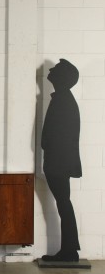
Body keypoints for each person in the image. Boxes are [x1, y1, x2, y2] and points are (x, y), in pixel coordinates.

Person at [41, 59, 82, 262]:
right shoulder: (63, 98)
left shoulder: (64, 100)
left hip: (58, 163)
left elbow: (63, 137)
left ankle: (69, 251)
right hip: (58, 162)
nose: (50, 70)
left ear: (63, 78)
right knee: (64, 203)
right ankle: (70, 249)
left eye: (55, 69)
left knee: (64, 203)